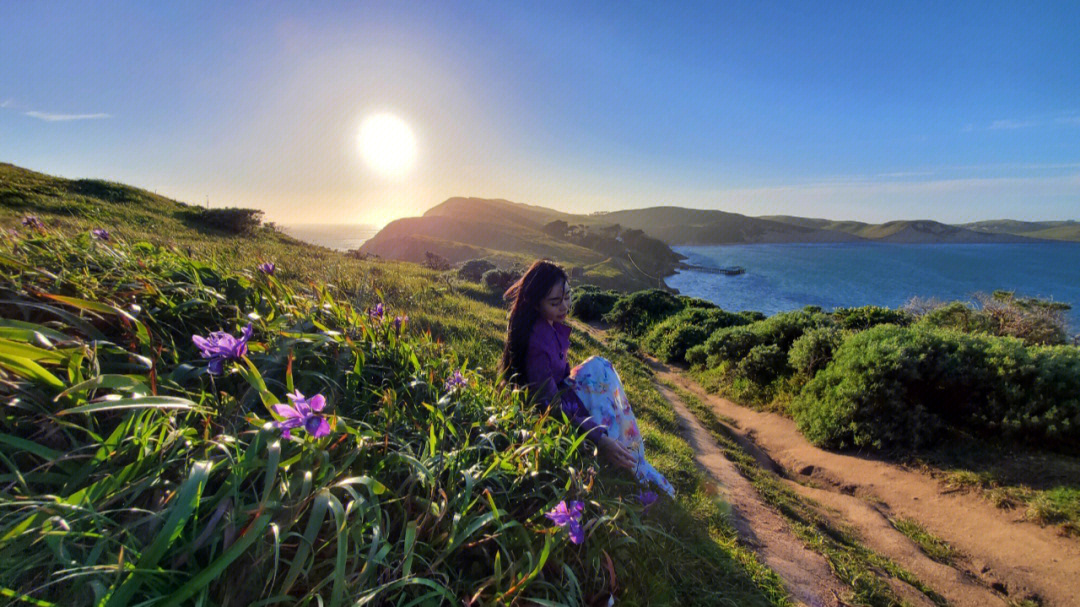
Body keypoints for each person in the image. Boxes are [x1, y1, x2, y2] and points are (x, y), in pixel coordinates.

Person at [498, 259, 675, 496]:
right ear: (535, 302)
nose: (565, 306)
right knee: (601, 392)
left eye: (568, 297)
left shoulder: (546, 324)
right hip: (550, 411)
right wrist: (599, 439)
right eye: (555, 302)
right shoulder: (536, 343)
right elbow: (550, 405)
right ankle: (629, 465)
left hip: (559, 392)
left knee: (600, 367)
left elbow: (559, 372)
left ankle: (629, 453)